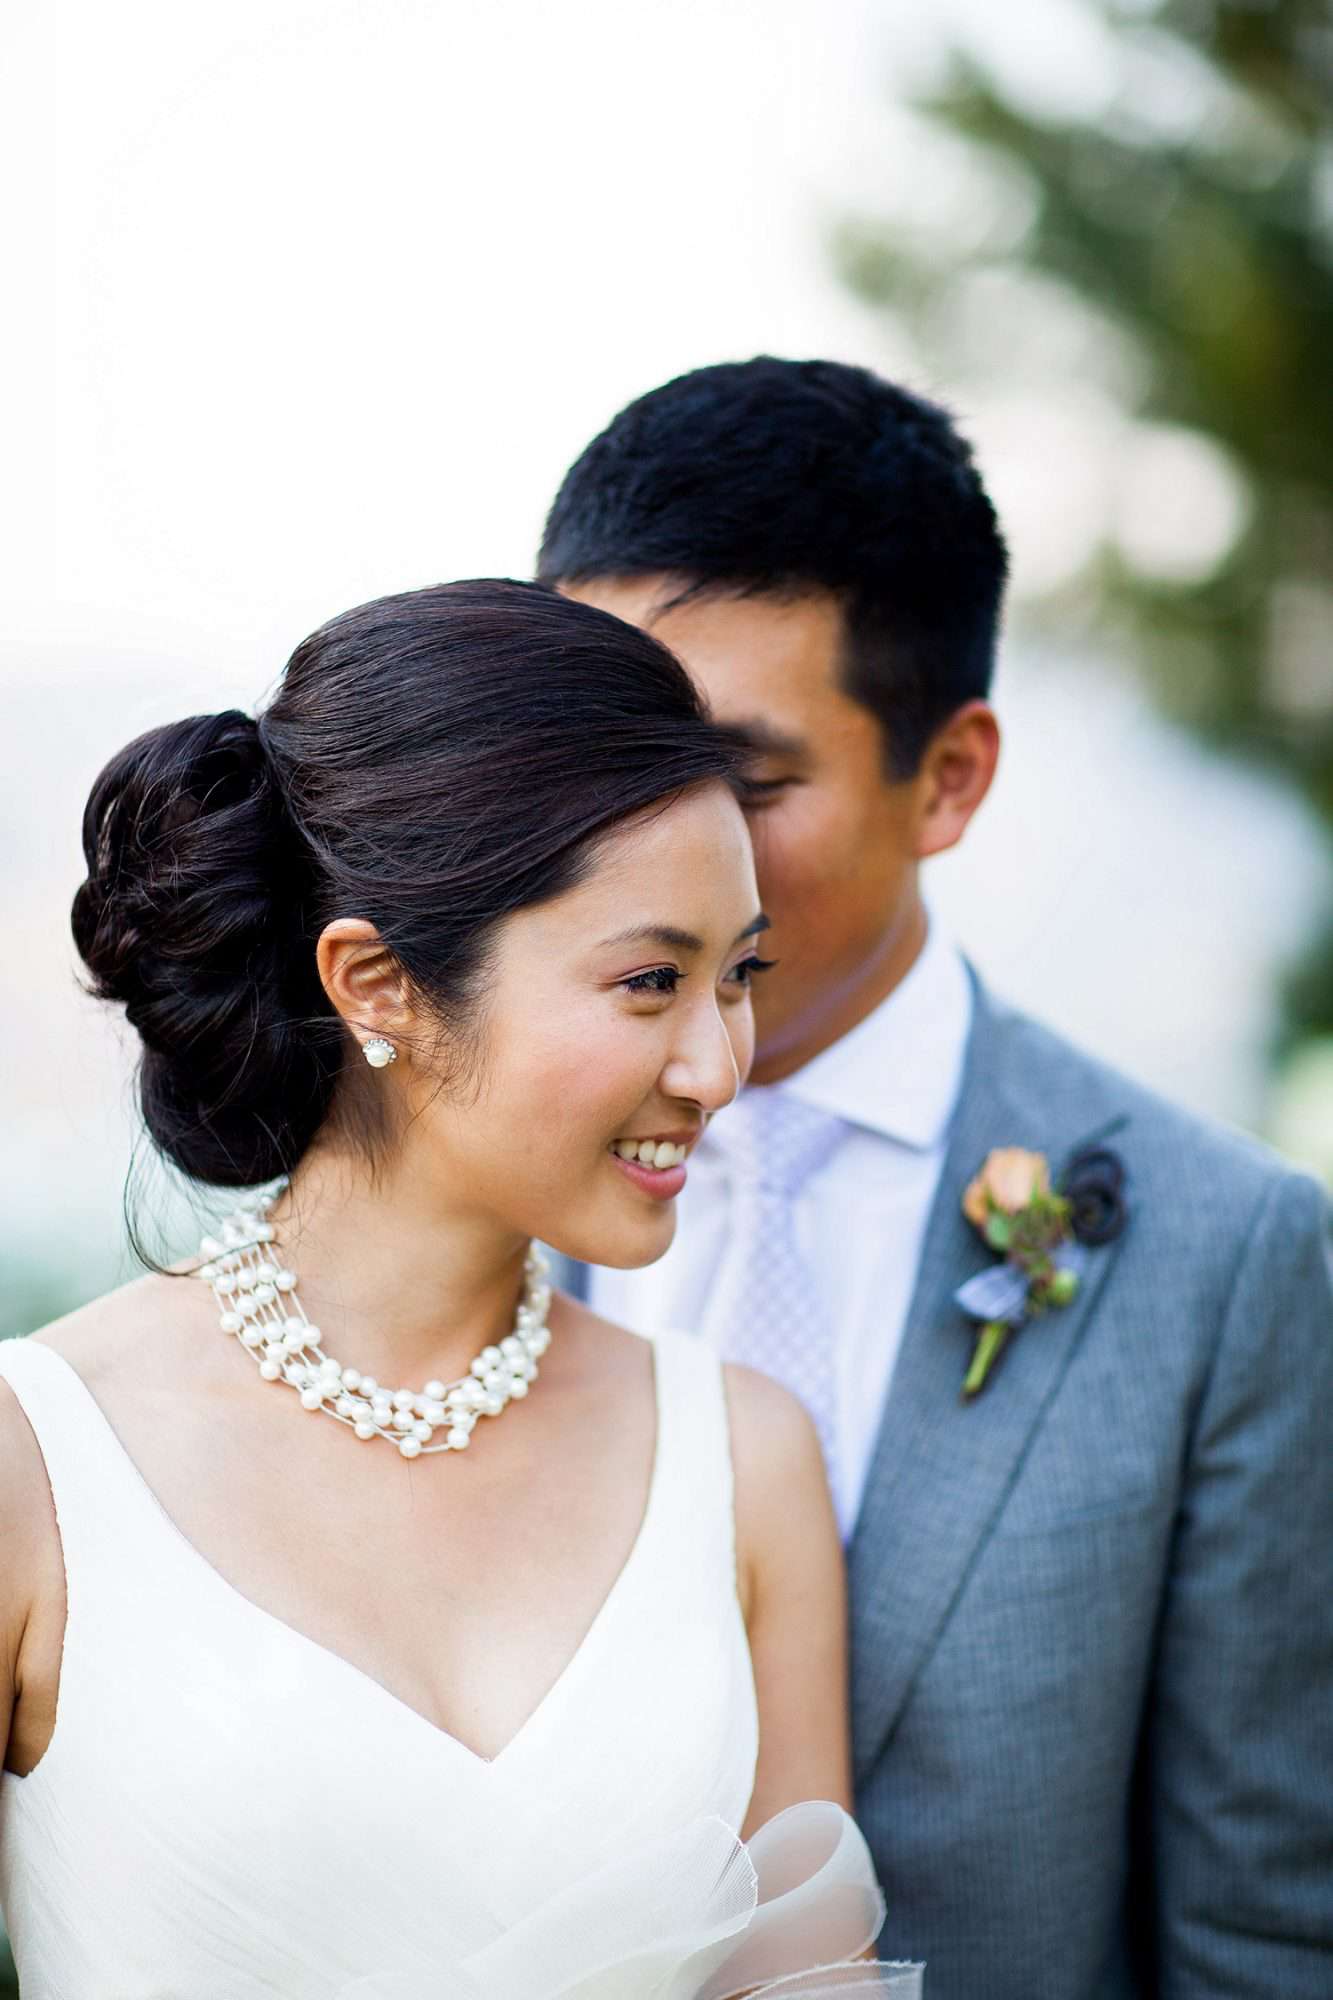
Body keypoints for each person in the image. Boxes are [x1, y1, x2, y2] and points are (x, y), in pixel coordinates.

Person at [538, 356, 1333, 1998]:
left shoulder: (1224, 1259)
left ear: (950, 777)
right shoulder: (443, 1169)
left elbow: (1260, 1929)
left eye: (743, 779)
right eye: (591, 751)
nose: (640, 841)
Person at [0, 580, 911, 1998]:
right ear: (376, 983)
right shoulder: (36, 1462)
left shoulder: (741, 1455)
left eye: (737, 974)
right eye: (645, 983)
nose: (716, 1068)